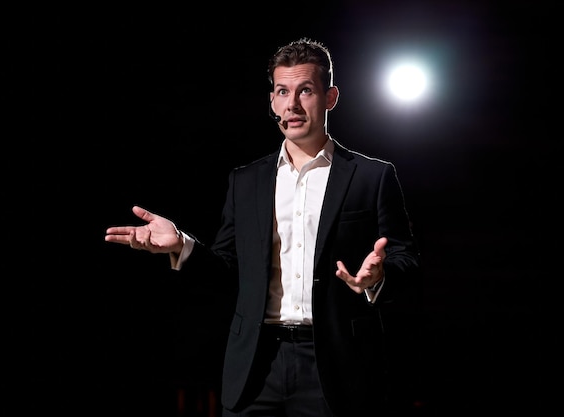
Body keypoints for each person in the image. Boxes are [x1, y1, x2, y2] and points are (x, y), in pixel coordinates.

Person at [105, 37, 421, 417]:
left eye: (305, 91)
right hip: (256, 364)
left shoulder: (373, 176)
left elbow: (407, 259)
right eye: (282, 91)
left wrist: (379, 276)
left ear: (330, 97)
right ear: (272, 100)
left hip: (336, 365)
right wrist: (182, 245)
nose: (292, 104)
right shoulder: (246, 180)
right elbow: (228, 270)